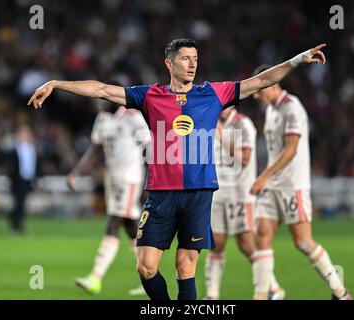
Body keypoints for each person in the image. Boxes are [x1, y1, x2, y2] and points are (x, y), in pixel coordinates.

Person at [28, 38, 327, 300]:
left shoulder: (212, 94)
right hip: (160, 195)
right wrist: (55, 84)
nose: (192, 64)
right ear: (169, 63)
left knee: (186, 267)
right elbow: (102, 90)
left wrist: (299, 59)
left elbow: (261, 81)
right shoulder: (150, 96)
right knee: (145, 266)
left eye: (195, 59)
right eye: (185, 58)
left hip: (198, 193)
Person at [250, 64, 352, 300]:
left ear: (272, 84)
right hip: (272, 186)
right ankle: (262, 295)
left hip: (292, 185)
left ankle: (341, 291)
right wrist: (267, 178)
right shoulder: (270, 110)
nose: (256, 95)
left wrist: (264, 175)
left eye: (259, 89)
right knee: (262, 235)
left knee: (303, 242)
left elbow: (292, 149)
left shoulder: (291, 108)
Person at [68, 99, 151, 296]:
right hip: (111, 179)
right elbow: (95, 150)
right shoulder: (103, 119)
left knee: (114, 221)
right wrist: (76, 172)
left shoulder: (133, 118)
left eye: (105, 98)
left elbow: (150, 148)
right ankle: (150, 276)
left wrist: (151, 181)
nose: (101, 102)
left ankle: (95, 278)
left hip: (130, 178)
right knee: (130, 227)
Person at [204, 106, 286, 299]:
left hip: (240, 193)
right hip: (216, 192)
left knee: (246, 244)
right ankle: (212, 295)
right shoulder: (209, 124)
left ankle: (272, 288)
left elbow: (245, 159)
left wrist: (222, 135)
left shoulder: (244, 124)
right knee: (216, 243)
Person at [6, 125, 38, 233]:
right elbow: (11, 166)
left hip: (28, 178)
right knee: (18, 202)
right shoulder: (16, 149)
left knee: (22, 202)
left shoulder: (32, 148)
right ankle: (16, 223)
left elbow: (33, 164)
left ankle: (17, 223)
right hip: (18, 179)